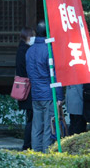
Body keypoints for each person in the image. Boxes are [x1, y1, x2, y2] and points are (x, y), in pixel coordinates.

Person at [27, 20, 60, 153]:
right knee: (48, 126)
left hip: (36, 93)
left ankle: (35, 152)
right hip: (48, 93)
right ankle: (46, 154)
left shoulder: (29, 51)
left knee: (36, 126)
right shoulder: (49, 51)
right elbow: (54, 76)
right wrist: (59, 96)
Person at [15, 27, 36, 150]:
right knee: (31, 119)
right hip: (29, 88)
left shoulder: (21, 49)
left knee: (30, 118)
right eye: (32, 35)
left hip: (24, 87)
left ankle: (28, 144)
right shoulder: (26, 50)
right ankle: (27, 145)